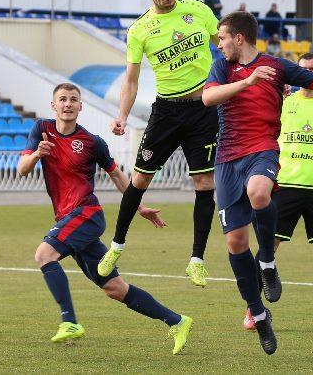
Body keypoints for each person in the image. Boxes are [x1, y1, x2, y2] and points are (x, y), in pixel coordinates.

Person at [202, 10, 313, 354]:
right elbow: (208, 98)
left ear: (239, 38)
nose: (219, 44)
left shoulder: (278, 66)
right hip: (227, 159)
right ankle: (258, 313)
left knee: (259, 192)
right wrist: (248, 82)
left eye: (222, 38)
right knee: (236, 243)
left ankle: (267, 260)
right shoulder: (222, 67)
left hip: (262, 150)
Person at [17, 83, 192, 352]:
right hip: (68, 220)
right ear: (54, 105)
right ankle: (177, 321)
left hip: (87, 214)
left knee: (44, 254)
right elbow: (22, 169)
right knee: (115, 288)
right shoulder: (42, 130)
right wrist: (38, 154)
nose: (67, 104)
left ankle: (69, 322)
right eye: (62, 99)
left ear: (80, 106)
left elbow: (117, 176)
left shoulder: (92, 142)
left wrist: (140, 207)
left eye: (73, 99)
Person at [97, 0, 219, 288]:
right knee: (140, 179)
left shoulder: (198, 11)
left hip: (203, 109)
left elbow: (228, 47)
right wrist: (122, 116)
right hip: (167, 112)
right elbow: (131, 80)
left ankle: (197, 260)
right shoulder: (139, 30)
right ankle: (116, 246)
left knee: (204, 183)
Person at [240, 53, 313, 333]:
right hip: (285, 186)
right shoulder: (284, 103)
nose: (306, 74)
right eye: (302, 69)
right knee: (269, 247)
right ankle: (253, 310)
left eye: (312, 70)